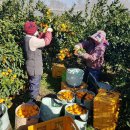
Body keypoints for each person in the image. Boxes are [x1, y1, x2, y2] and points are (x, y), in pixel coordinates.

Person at [24, 21, 53, 101]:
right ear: (32, 31)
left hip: (30, 65)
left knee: (32, 81)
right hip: (34, 68)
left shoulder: (27, 37)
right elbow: (47, 41)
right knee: (35, 83)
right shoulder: (33, 41)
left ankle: (33, 93)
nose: (37, 31)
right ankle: (32, 100)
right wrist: (49, 32)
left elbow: (38, 39)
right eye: (36, 30)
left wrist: (42, 34)